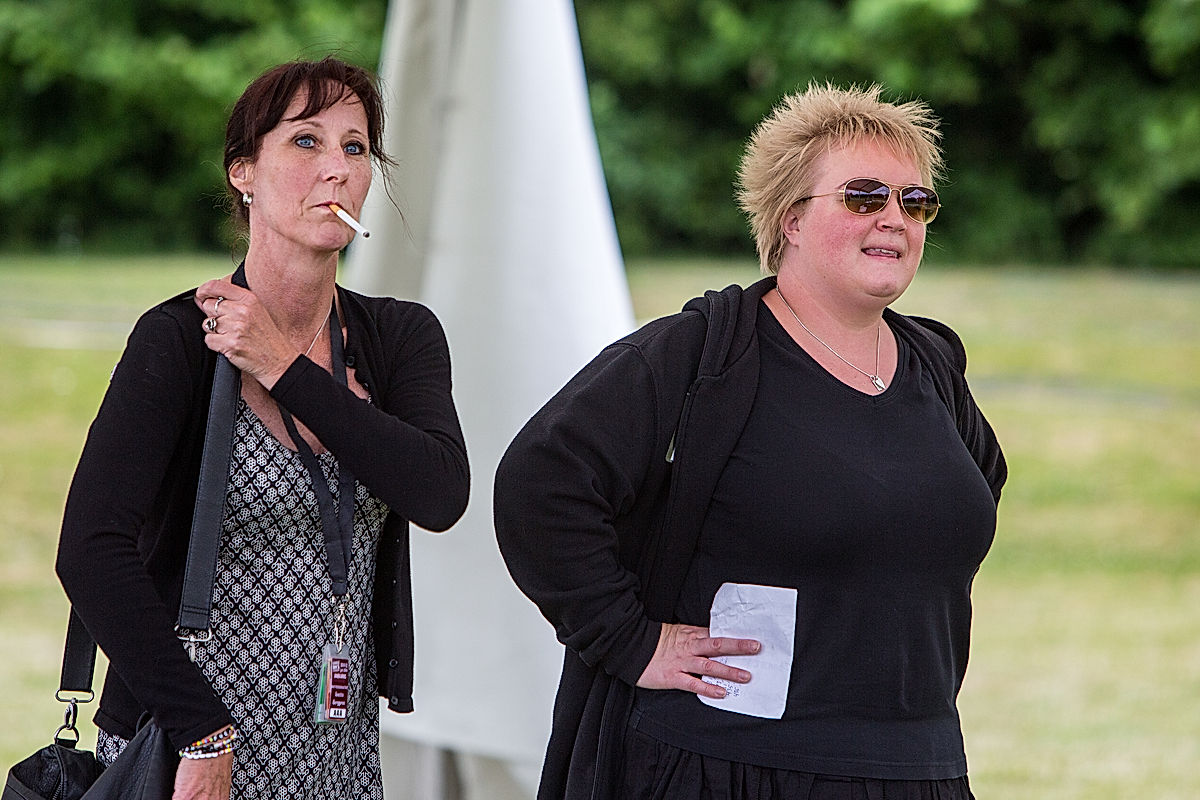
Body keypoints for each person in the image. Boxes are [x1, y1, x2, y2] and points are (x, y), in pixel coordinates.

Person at [494, 82, 1007, 800]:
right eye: (864, 197)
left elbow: (969, 494)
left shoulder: (934, 364)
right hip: (729, 766)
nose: (896, 217)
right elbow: (542, 481)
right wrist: (630, 640)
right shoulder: (706, 353)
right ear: (791, 218)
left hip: (916, 768)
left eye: (915, 202)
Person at [55, 56, 470, 800]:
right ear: (244, 172)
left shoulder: (398, 337)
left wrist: (286, 368)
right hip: (188, 751)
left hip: (337, 758)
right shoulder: (178, 340)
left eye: (356, 147)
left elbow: (439, 493)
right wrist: (199, 730)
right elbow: (89, 550)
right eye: (306, 142)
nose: (337, 169)